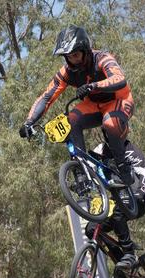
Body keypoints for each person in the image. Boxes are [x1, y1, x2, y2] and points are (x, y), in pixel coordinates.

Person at [20, 25, 136, 186]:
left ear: (85, 50)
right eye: (69, 56)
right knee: (71, 121)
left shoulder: (102, 58)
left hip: (119, 100)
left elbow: (119, 79)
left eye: (76, 54)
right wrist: (29, 121)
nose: (73, 59)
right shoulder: (66, 72)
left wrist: (94, 86)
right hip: (94, 104)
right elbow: (47, 97)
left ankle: (123, 167)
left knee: (110, 123)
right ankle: (83, 171)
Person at [85, 140, 145, 270]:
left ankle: (129, 253)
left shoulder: (130, 150)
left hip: (138, 199)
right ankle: (121, 261)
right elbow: (89, 166)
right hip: (117, 200)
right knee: (91, 229)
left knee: (118, 213)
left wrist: (140, 192)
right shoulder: (101, 148)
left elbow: (144, 173)